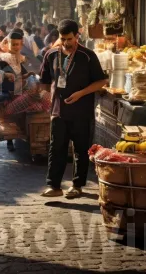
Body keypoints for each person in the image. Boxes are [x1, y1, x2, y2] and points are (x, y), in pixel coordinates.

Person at [40, 19, 108, 199]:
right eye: (63, 39)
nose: (66, 43)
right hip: (58, 111)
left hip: (81, 111)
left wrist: (81, 93)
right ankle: (54, 186)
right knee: (56, 148)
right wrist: (48, 100)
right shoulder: (51, 54)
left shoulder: (88, 55)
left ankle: (77, 185)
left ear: (77, 36)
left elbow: (101, 81)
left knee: (80, 149)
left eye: (69, 39)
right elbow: (45, 82)